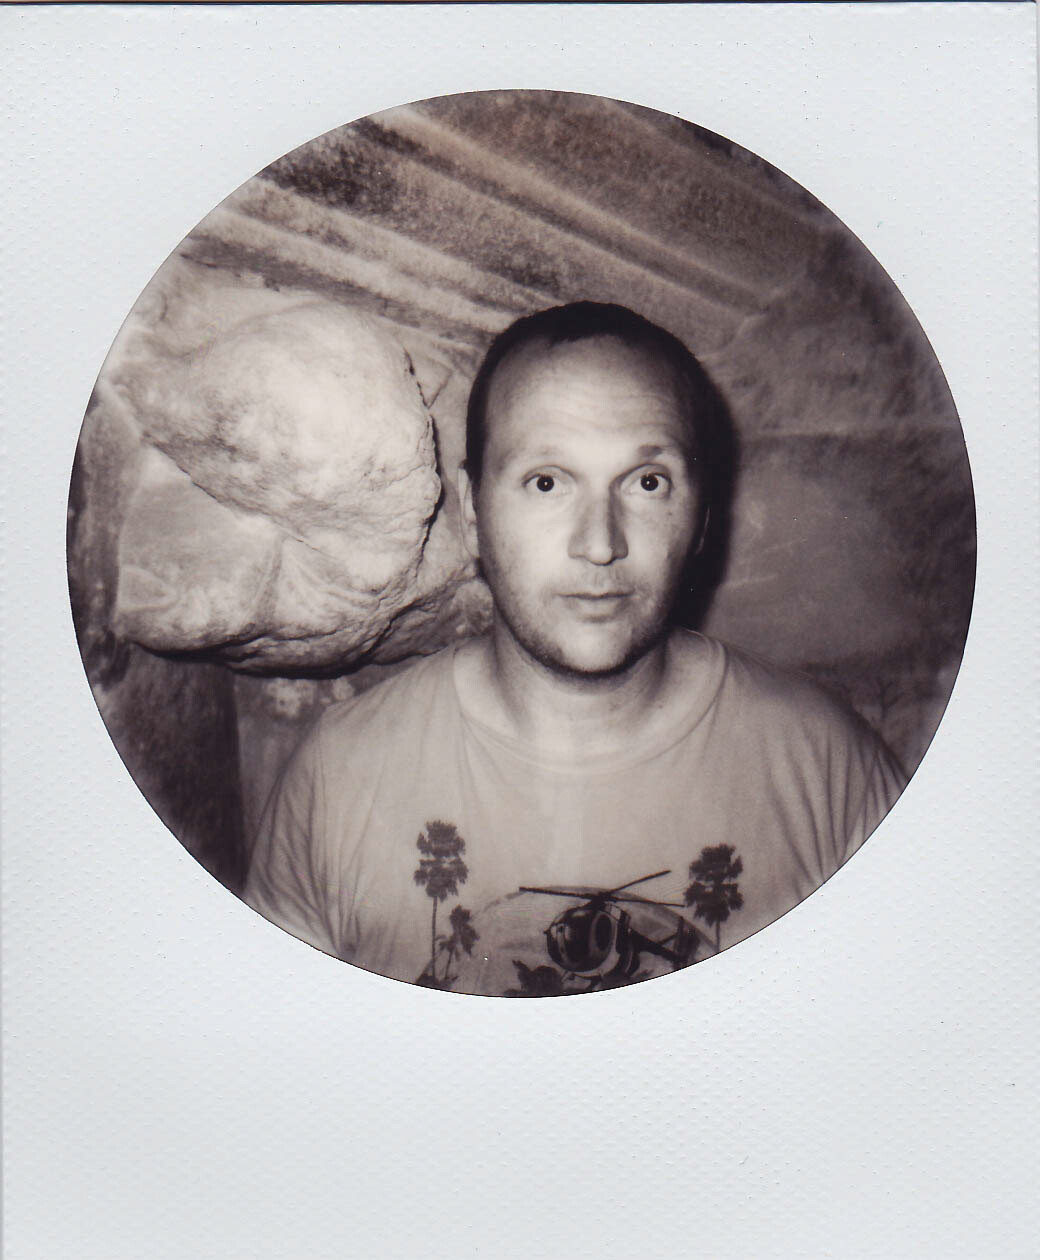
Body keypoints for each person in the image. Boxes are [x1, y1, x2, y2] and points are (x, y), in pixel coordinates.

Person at [243, 302, 905, 996]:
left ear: (702, 518)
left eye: (647, 483)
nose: (600, 543)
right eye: (547, 482)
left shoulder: (827, 767)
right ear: (473, 513)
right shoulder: (341, 776)